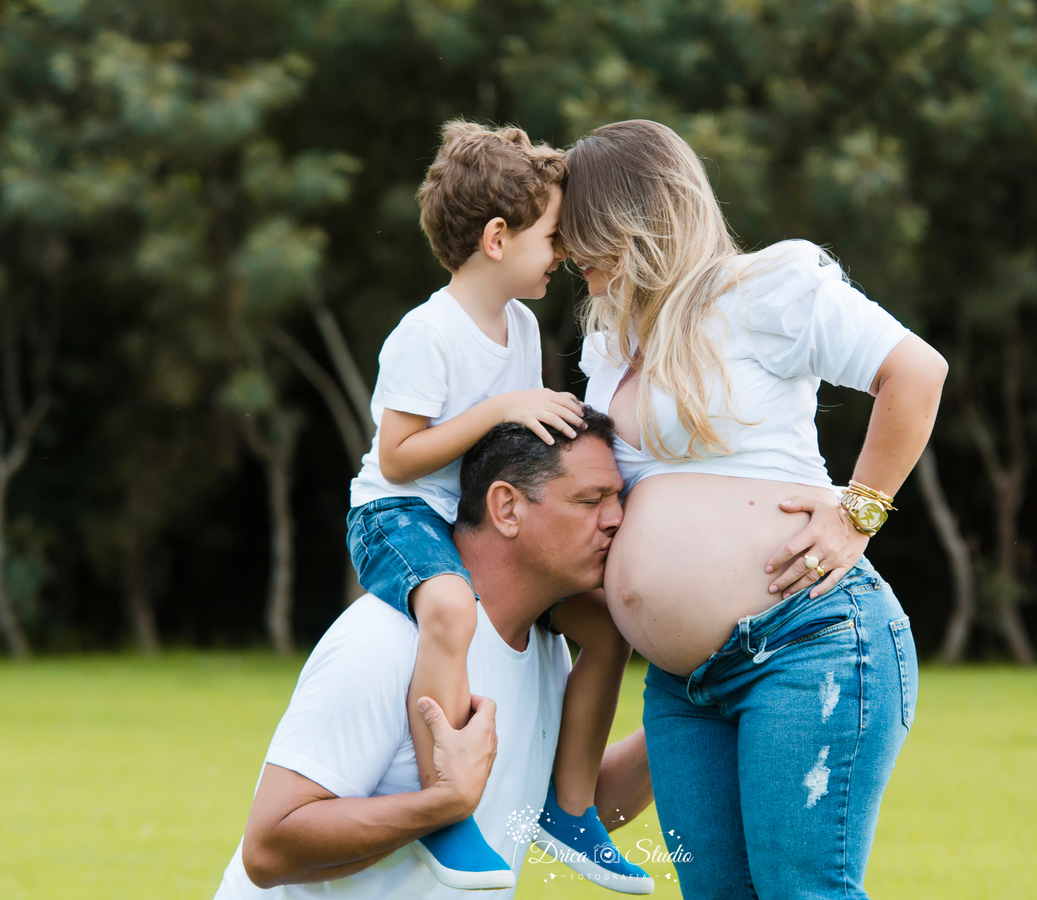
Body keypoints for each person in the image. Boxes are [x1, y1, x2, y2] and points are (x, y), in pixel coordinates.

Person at [559, 120, 949, 899]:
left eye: (584, 241)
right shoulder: (610, 351)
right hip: (685, 686)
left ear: (634, 223)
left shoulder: (767, 290)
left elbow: (915, 371)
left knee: (804, 890)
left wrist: (858, 511)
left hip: (808, 644)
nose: (575, 265)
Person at [345, 120, 648, 889]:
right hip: (399, 518)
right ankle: (444, 809)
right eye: (553, 237)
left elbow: (516, 439)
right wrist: (500, 410)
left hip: (466, 519)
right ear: (496, 238)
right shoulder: (429, 332)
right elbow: (398, 455)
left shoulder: (516, 322)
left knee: (605, 627)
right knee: (447, 609)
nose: (565, 255)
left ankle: (569, 807)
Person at [214, 409, 655, 900]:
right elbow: (268, 848)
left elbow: (570, 807)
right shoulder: (386, 638)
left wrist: (688, 706)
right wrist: (441, 805)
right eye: (589, 500)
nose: (616, 518)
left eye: (618, 499)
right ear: (507, 508)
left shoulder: (550, 651)